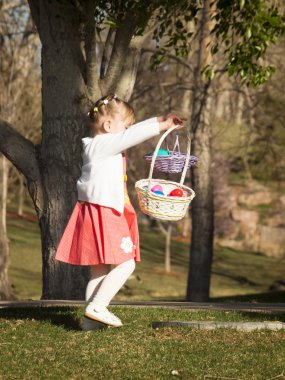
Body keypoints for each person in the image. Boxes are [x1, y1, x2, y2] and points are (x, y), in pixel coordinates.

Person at [55, 93, 185, 327]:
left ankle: (90, 324)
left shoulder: (97, 146)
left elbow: (129, 135)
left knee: (99, 271)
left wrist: (161, 120)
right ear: (108, 125)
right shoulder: (104, 145)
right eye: (125, 127)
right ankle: (98, 306)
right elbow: (132, 136)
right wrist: (162, 123)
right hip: (104, 212)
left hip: (93, 211)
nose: (128, 131)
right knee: (127, 263)